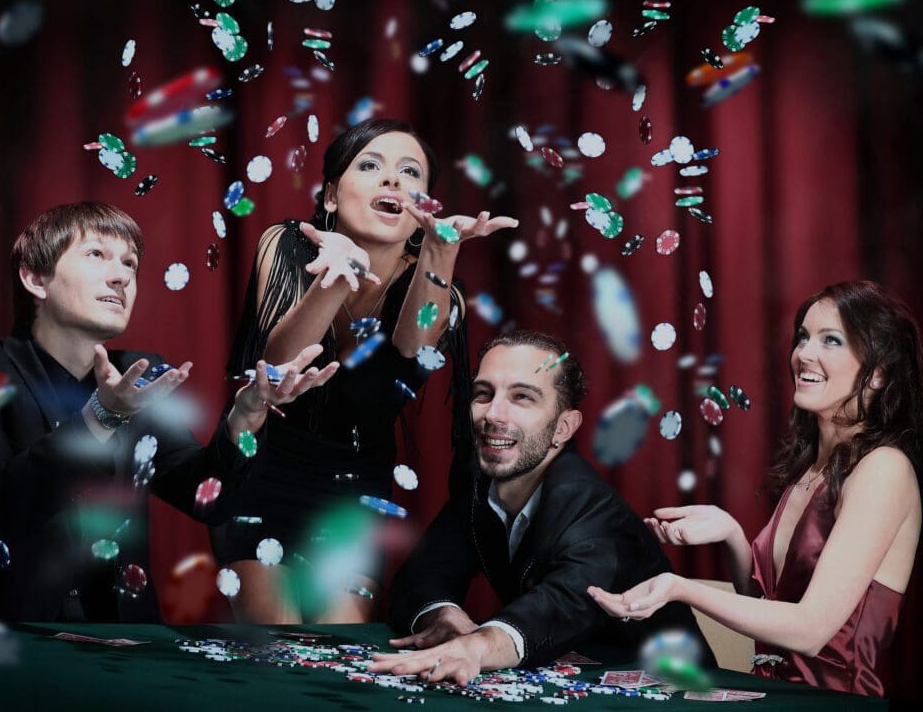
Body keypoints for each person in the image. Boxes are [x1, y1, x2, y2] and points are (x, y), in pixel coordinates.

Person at [0, 201, 335, 623]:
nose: (121, 276)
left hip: (117, 647)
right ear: (35, 278)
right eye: (96, 255)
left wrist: (246, 415)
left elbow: (209, 499)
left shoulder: (140, 374)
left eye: (130, 263)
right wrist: (100, 416)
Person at [212, 119, 517, 624]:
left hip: (354, 485)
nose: (392, 181)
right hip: (260, 467)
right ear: (331, 195)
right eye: (371, 166)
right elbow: (281, 371)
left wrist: (442, 248)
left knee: (338, 650)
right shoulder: (287, 244)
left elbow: (410, 352)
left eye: (409, 172)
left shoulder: (444, 293)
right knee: (280, 645)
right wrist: (337, 278)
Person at [588, 280, 923, 698]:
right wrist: (729, 532)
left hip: (834, 703)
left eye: (831, 340)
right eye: (803, 336)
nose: (804, 353)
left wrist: (679, 587)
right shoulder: (812, 470)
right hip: (770, 695)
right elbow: (768, 611)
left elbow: (810, 630)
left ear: (877, 375)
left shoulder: (884, 469)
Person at [369, 330, 712, 686]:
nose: (493, 414)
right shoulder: (474, 478)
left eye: (522, 397)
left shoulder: (592, 507)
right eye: (483, 394)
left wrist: (478, 647)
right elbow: (422, 575)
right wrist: (443, 615)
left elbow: (560, 606)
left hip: (672, 688)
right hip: (562, 682)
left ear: (563, 427)